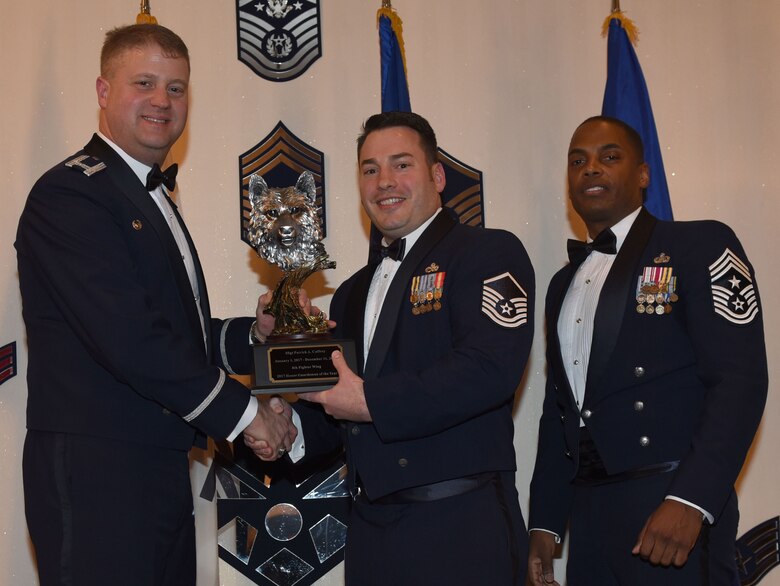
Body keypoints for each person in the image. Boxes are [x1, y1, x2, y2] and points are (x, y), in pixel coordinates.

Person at [15, 24, 296, 586]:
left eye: (176, 87)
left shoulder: (146, 192)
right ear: (102, 90)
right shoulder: (71, 194)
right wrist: (247, 417)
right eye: (144, 82)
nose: (162, 101)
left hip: (155, 466)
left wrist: (254, 336)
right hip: (99, 472)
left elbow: (173, 329)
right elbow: (131, 340)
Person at [284, 111, 535, 585]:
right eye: (370, 169)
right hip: (371, 536)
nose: (384, 182)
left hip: (461, 527)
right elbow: (342, 413)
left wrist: (369, 401)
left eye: (402, 165)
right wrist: (286, 426)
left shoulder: (488, 252)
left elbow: (488, 369)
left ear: (437, 175)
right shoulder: (350, 291)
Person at [526, 116, 767, 585]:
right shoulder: (561, 284)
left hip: (670, 506)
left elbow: (739, 381)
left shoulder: (699, 244)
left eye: (609, 157)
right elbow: (561, 413)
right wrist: (546, 521)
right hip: (590, 512)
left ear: (642, 174)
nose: (590, 169)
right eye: (578, 161)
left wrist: (691, 500)